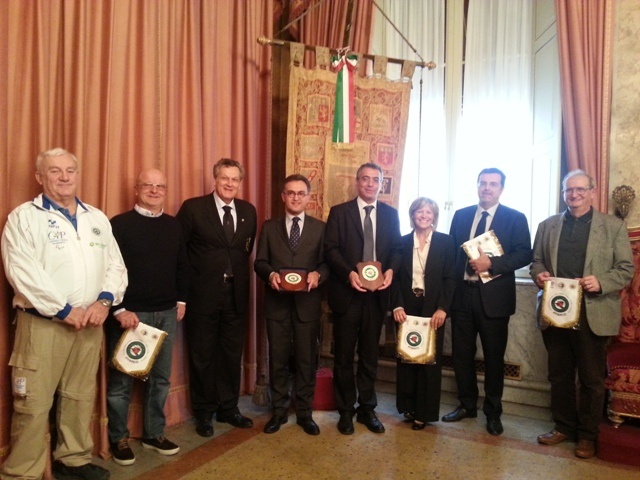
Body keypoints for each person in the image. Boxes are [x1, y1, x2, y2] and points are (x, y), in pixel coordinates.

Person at [0, 148, 127, 480]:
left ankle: (73, 460)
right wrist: (63, 309)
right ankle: (22, 472)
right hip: (43, 325)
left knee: (80, 395)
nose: (65, 177)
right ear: (40, 177)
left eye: (70, 170)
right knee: (33, 402)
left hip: (90, 324)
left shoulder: (96, 218)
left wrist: (104, 302)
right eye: (55, 171)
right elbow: (22, 272)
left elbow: (116, 266)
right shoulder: (23, 218)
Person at [530, 170, 634, 459]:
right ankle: (563, 427)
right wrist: (540, 275)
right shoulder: (548, 225)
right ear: (563, 193)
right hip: (555, 312)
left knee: (591, 379)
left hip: (593, 312)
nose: (573, 195)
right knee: (559, 375)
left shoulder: (612, 227)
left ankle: (587, 435)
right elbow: (536, 261)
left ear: (592, 192)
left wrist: (600, 282)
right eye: (569, 190)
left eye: (580, 189)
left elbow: (626, 269)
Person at [105, 169, 189, 465]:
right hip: (131, 315)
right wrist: (118, 309)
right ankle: (118, 438)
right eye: (148, 185)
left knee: (160, 380)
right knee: (122, 383)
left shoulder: (174, 225)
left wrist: (181, 301)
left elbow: (182, 265)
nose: (154, 190)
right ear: (137, 189)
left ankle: (154, 434)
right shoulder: (119, 224)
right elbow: (108, 269)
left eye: (160, 186)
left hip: (167, 313)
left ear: (165, 190)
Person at [443, 167, 532, 436]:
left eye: (493, 184)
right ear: (477, 186)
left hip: (494, 299)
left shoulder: (515, 218)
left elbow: (524, 254)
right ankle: (467, 405)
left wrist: (491, 264)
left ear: (501, 189)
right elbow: (452, 254)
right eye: (483, 183)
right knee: (461, 355)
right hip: (463, 295)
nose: (487, 188)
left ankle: (493, 412)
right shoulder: (461, 215)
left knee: (494, 357)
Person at [177, 158, 257, 437]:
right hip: (202, 295)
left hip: (235, 295)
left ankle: (228, 408)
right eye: (225, 178)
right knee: (202, 356)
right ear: (215, 179)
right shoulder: (193, 208)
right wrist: (181, 295)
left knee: (231, 354)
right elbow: (180, 252)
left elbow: (244, 250)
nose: (229, 184)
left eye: (235, 179)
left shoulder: (248, 211)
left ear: (240, 183)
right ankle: (204, 412)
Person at [324, 162, 402, 435]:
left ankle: (367, 408)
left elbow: (397, 249)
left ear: (381, 184)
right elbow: (330, 249)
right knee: (344, 356)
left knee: (369, 356)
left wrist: (391, 270)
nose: (370, 184)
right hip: (347, 295)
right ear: (357, 182)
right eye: (365, 179)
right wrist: (349, 274)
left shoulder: (391, 215)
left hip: (377, 297)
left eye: (375, 180)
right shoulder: (339, 212)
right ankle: (345, 410)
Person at [254, 174, 330, 436]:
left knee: (306, 361)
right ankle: (278, 411)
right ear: (283, 197)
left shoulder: (320, 228)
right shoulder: (269, 227)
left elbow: (326, 263)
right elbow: (260, 262)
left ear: (308, 197)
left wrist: (318, 274)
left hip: (308, 305)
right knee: (278, 360)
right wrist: (270, 275)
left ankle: (305, 413)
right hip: (277, 305)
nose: (296, 197)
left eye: (300, 193)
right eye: (291, 193)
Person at [391, 197, 456, 430]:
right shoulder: (401, 242)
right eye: (420, 211)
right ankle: (408, 407)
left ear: (434, 217)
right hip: (407, 307)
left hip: (433, 308)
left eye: (429, 212)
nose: (424, 216)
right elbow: (394, 278)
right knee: (407, 357)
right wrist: (397, 305)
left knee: (429, 361)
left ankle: (424, 412)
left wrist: (443, 308)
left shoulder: (446, 242)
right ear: (412, 215)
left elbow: (450, 278)